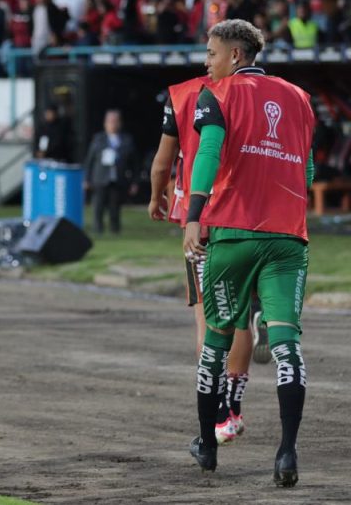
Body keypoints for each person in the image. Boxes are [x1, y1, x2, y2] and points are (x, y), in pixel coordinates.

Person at [183, 19, 314, 487]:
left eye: (212, 53)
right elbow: (308, 172)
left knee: (215, 342)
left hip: (233, 234)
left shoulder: (216, 94)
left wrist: (195, 215)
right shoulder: (300, 99)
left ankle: (206, 443)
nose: (207, 62)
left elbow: (208, 153)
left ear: (236, 56)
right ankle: (286, 452)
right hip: (287, 238)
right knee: (287, 346)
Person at [148, 73, 257, 446]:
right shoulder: (260, 93)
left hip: (200, 216)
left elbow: (163, 163)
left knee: (208, 318)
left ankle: (221, 412)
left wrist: (155, 197)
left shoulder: (181, 95)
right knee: (242, 315)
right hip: (250, 217)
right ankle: (234, 405)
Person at [83, 109, 138, 233]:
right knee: (98, 206)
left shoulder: (126, 140)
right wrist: (87, 179)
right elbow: (90, 160)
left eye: (115, 121)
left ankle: (115, 229)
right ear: (105, 123)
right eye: (110, 121)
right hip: (100, 178)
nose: (112, 124)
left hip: (117, 178)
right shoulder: (98, 139)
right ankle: (98, 230)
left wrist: (134, 181)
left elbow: (134, 163)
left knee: (115, 207)